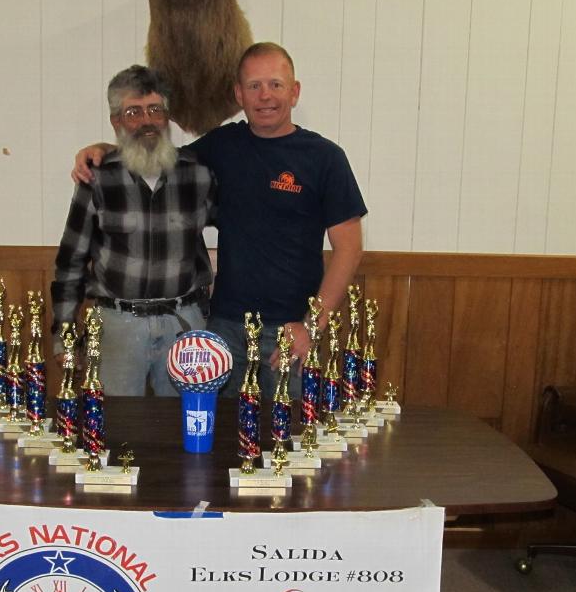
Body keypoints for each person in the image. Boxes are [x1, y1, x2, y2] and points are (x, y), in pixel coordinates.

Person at [73, 43, 366, 398]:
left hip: (290, 330)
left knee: (286, 441)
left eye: (275, 84)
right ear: (238, 94)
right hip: (224, 328)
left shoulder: (326, 158)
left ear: (294, 91)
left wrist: (311, 326)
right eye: (254, 86)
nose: (265, 96)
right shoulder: (222, 146)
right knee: (220, 441)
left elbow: (349, 248)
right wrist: (106, 149)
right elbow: (159, 159)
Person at [52, 65, 216, 396]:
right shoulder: (97, 179)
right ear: (116, 121)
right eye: (133, 111)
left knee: (182, 429)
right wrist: (64, 336)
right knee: (115, 428)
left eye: (155, 109)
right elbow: (71, 263)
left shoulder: (198, 174)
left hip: (183, 322)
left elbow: (242, 229)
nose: (147, 120)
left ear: (167, 116)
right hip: (117, 324)